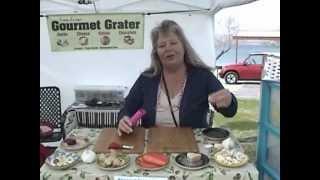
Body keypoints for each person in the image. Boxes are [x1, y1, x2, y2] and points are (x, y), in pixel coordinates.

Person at [117, 20, 237, 136]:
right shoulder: (146, 79)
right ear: (156, 53)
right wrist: (124, 119)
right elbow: (127, 108)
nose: (168, 48)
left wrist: (228, 101)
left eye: (173, 43)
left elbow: (230, 111)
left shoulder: (203, 76)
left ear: (184, 46)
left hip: (192, 150)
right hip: (153, 149)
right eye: (162, 45)